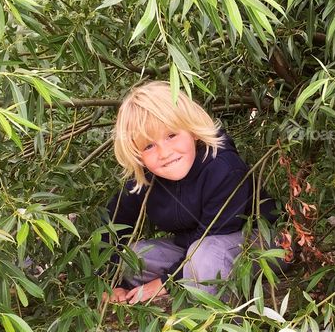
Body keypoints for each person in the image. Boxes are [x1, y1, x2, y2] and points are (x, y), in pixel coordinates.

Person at [102, 80, 278, 304]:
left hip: (260, 245)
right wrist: (111, 281)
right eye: (148, 146)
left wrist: (168, 281)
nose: (164, 152)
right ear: (137, 155)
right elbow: (113, 224)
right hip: (192, 249)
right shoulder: (144, 179)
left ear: (193, 132)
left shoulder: (223, 167)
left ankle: (213, 330)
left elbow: (212, 236)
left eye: (171, 135)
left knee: (205, 257)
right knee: (133, 257)